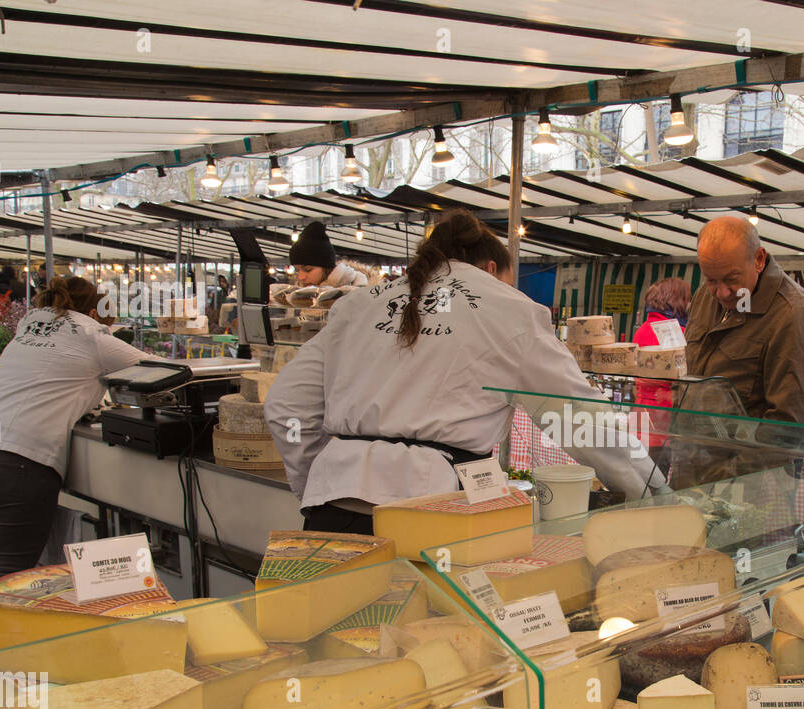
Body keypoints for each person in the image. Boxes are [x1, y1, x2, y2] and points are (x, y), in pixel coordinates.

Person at [265, 210, 664, 533]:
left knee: (331, 630)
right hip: (433, 514)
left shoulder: (356, 305)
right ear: (492, 267)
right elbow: (579, 420)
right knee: (432, 632)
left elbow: (286, 408)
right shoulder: (509, 311)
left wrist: (320, 477)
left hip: (332, 508)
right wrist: (656, 495)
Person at [0, 277, 152, 590]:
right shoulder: (91, 335)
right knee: (10, 577)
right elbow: (163, 371)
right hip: (15, 462)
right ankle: (8, 641)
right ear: (95, 311)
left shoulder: (25, 332)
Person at [685, 216, 804, 423]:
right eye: (711, 279)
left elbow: (785, 426)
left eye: (732, 279)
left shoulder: (793, 314)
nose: (722, 292)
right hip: (689, 451)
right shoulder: (705, 295)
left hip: (742, 453)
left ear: (758, 259)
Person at [631, 277, 691, 469]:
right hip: (662, 423)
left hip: (639, 418)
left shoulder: (641, 330)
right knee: (658, 484)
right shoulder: (675, 332)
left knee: (639, 481)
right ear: (678, 301)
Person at [289, 222, 381, 294]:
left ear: (326, 267)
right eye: (297, 270)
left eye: (308, 269)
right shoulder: (296, 296)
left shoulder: (362, 290)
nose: (301, 277)